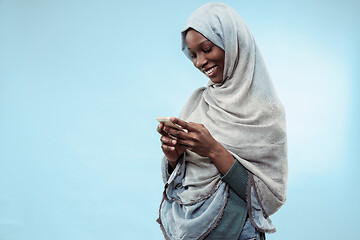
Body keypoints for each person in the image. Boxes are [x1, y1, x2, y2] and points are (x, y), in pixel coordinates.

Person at [156, 3, 287, 240]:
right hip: (188, 231)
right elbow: (181, 182)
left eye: (207, 49)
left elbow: (265, 198)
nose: (200, 62)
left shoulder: (266, 111)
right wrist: (173, 157)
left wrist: (213, 149)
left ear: (233, 43)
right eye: (193, 54)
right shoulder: (198, 101)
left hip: (239, 233)